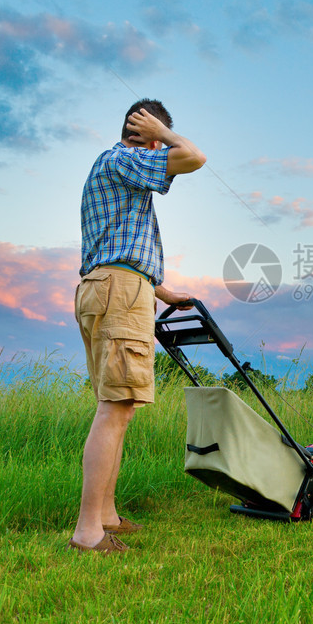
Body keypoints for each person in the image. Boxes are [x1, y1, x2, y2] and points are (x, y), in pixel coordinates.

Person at [68, 99, 206, 553]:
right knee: (116, 407)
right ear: (148, 138)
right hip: (119, 292)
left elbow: (121, 242)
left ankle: (106, 515)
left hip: (114, 287)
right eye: (158, 138)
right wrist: (165, 136)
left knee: (118, 407)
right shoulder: (124, 158)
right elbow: (195, 157)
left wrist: (163, 292)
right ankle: (89, 532)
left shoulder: (118, 169)